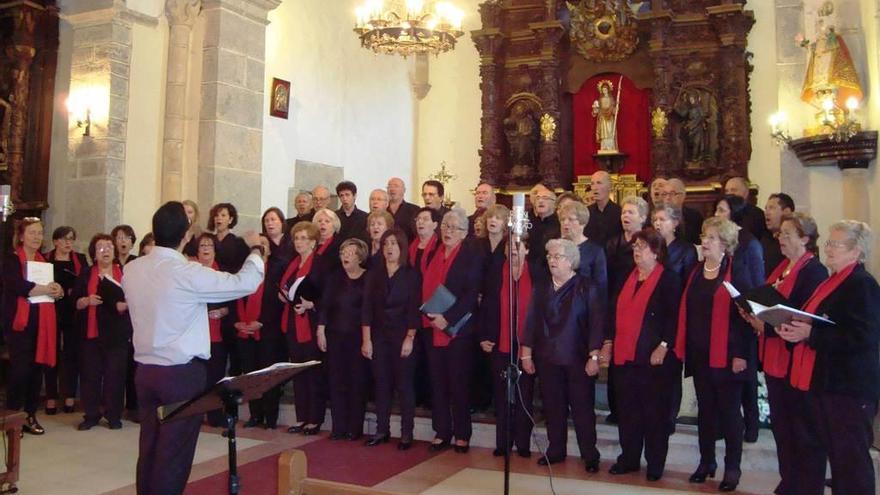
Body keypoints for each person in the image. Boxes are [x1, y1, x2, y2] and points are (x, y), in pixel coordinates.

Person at [124, 201, 264, 495]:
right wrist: (255, 250)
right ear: (186, 235)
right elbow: (245, 282)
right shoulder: (186, 272)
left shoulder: (132, 269)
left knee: (149, 447)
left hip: (145, 372)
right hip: (179, 375)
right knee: (173, 455)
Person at [779, 220, 879, 495]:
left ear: (856, 251)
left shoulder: (862, 284)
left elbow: (862, 338)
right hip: (826, 384)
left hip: (848, 388)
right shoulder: (832, 281)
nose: (829, 249)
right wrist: (794, 329)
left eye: (836, 244)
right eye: (829, 243)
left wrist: (810, 335)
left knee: (851, 464)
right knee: (837, 458)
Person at [738, 212, 826, 495]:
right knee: (784, 428)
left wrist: (766, 323)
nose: (780, 239)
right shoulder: (782, 267)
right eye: (780, 234)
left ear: (805, 239)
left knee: (802, 430)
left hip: (796, 360)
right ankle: (789, 480)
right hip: (776, 359)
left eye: (787, 234)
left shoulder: (813, 271)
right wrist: (754, 315)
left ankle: (806, 485)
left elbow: (804, 315)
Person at [673, 217, 756, 493]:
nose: (704, 242)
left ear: (725, 244)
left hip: (729, 356)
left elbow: (747, 318)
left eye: (710, 238)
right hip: (700, 355)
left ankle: (732, 468)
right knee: (706, 413)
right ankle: (706, 461)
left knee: (731, 415)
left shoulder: (738, 272)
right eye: (703, 237)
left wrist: (741, 354)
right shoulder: (696, 271)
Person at [521, 238, 604, 471]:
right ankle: (556, 449)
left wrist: (594, 356)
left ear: (571, 261)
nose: (552, 261)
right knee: (553, 407)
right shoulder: (542, 286)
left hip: (578, 358)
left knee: (582, 409)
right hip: (548, 357)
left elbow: (597, 323)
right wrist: (526, 353)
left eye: (558, 257)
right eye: (549, 257)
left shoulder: (587, 286)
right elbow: (531, 321)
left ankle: (590, 454)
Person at [608, 229, 682, 481]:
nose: (636, 251)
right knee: (628, 412)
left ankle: (655, 463)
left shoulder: (669, 279)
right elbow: (614, 312)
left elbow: (674, 317)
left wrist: (664, 345)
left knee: (654, 414)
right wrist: (609, 342)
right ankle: (628, 458)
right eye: (635, 246)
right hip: (625, 356)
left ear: (657, 252)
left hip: (653, 358)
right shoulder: (627, 276)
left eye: (642, 247)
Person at [422, 208, 482, 453]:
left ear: (464, 233)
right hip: (431, 325)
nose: (448, 231)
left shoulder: (470, 255)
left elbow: (471, 293)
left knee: (458, 383)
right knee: (437, 382)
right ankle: (442, 430)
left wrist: (447, 318)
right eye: (445, 226)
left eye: (454, 228)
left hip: (458, 328)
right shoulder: (434, 252)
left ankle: (462, 433)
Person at [3, 217, 63, 435]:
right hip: (20, 324)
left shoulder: (44, 262)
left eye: (39, 233)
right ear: (21, 236)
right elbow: (18, 286)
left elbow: (51, 289)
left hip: (41, 324)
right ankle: (12, 419)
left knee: (37, 371)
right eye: (32, 233)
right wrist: (46, 289)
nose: (37, 237)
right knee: (19, 372)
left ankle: (30, 415)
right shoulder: (11, 260)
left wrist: (57, 290)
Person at [362, 230, 421, 449]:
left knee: (404, 385)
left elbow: (414, 309)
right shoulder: (374, 275)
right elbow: (367, 308)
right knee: (382, 385)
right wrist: (366, 340)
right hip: (378, 336)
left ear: (402, 247)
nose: (389, 248)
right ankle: (381, 430)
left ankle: (407, 433)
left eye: (394, 243)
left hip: (403, 335)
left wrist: (410, 337)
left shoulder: (411, 274)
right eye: (386, 244)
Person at [479, 238, 534, 458]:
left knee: (524, 395)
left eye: (517, 246)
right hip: (499, 340)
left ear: (526, 249)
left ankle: (523, 444)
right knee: (501, 395)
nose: (512, 250)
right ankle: (503, 442)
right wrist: (483, 336)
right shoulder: (494, 273)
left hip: (527, 344)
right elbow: (484, 307)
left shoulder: (537, 273)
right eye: (509, 247)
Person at [73, 234, 130, 431]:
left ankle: (113, 415)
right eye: (100, 247)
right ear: (93, 253)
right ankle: (91, 414)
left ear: (115, 251)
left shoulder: (124, 273)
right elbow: (76, 302)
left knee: (115, 376)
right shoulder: (87, 273)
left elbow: (137, 299)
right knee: (91, 376)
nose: (105, 250)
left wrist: (125, 305)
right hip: (91, 332)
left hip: (117, 334)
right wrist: (87, 300)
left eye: (109, 247)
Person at [318, 238, 369, 441]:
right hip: (335, 335)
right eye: (342, 253)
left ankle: (354, 428)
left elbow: (369, 310)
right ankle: (338, 427)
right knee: (336, 380)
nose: (345, 257)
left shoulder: (369, 278)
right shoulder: (335, 277)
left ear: (360, 257)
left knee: (357, 381)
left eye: (350, 253)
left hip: (358, 337)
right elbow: (325, 306)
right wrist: (320, 330)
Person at [281, 222, 326, 435]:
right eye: (296, 238)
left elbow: (326, 296)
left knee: (313, 371)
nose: (299, 242)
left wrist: (311, 305)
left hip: (311, 322)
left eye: (303, 238)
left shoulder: (320, 264)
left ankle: (314, 419)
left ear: (313, 242)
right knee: (298, 370)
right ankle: (301, 417)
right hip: (293, 321)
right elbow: (285, 287)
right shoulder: (293, 264)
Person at [45, 226, 88, 415]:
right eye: (63, 239)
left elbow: (86, 283)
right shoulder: (45, 259)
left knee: (71, 355)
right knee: (51, 354)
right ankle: (51, 397)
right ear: (55, 241)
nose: (68, 243)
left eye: (71, 239)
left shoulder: (80, 259)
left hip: (73, 313)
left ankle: (69, 396)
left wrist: (74, 292)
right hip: (50, 311)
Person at [194, 233, 231, 427]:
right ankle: (196, 415)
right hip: (196, 334)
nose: (206, 248)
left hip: (218, 334)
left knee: (216, 377)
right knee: (197, 377)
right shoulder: (191, 272)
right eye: (202, 245)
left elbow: (231, 302)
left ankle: (216, 415)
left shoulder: (222, 274)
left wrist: (224, 310)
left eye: (209, 245)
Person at [409, 206, 441, 408]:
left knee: (431, 357)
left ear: (435, 224)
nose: (420, 222)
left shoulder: (438, 247)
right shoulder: (411, 246)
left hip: (431, 306)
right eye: (418, 219)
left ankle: (432, 397)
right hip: (412, 305)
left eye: (425, 219)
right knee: (416, 356)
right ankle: (418, 395)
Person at [558, 201, 608, 296]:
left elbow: (601, 286)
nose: (565, 223)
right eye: (562, 219)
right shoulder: (556, 247)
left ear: (583, 223)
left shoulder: (595, 251)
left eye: (570, 219)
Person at [652, 204, 697, 284]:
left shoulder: (687, 250)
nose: (657, 223)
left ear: (675, 223)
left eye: (662, 219)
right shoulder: (650, 248)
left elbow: (689, 281)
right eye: (655, 220)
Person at [525, 187, 559, 285]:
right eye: (538, 198)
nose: (540, 200)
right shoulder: (528, 222)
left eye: (545, 198)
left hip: (551, 274)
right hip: (530, 273)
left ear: (554, 203)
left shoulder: (560, 223)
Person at [585, 171, 623, 245]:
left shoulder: (619, 212)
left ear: (610, 187)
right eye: (592, 184)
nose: (595, 187)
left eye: (599, 183)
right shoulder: (586, 212)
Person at [761, 193, 795, 274]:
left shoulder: (793, 243)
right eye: (766, 208)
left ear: (786, 212)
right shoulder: (764, 239)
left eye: (771, 208)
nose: (766, 212)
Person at [663, 178, 704, 245]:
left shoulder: (694, 216)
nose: (668, 197)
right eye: (665, 194)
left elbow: (698, 241)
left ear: (683, 196)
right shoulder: (657, 216)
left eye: (672, 193)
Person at [387, 177, 420, 241]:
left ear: (404, 190)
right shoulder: (382, 210)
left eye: (396, 186)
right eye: (389, 186)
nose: (392, 189)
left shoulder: (414, 209)